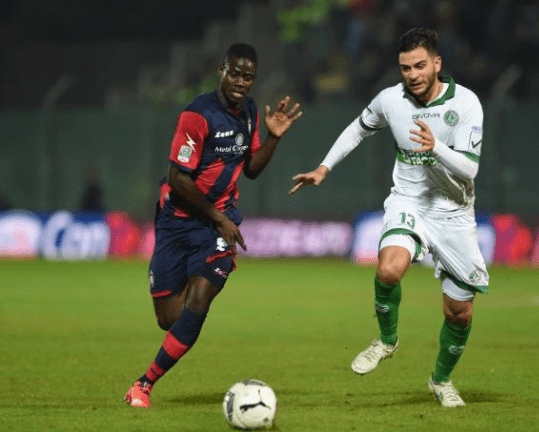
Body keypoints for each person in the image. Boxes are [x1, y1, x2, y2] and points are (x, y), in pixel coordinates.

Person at [290, 27, 488, 407]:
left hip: (453, 212)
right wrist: (324, 168)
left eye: (420, 66)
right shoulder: (390, 100)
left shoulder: (466, 103)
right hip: (409, 201)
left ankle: (441, 380)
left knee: (459, 313)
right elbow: (357, 130)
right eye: (405, 68)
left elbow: (470, 168)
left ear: (436, 63)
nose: (412, 75)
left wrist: (436, 147)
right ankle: (386, 339)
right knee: (388, 270)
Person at [124, 43, 303, 408]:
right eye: (235, 73)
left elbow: (251, 169)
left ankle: (144, 384)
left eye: (248, 77)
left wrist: (273, 138)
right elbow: (178, 178)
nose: (241, 82)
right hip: (177, 223)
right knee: (169, 319)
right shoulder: (197, 116)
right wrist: (218, 217)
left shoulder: (250, 112)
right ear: (222, 71)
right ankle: (186, 296)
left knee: (200, 300)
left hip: (218, 225)